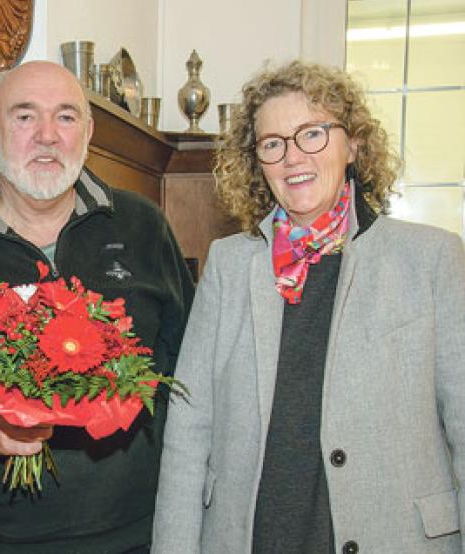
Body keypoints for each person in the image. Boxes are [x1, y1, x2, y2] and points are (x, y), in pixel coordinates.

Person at [151, 60, 465, 553]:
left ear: (353, 144)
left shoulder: (431, 259)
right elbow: (189, 429)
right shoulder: (229, 265)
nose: (293, 157)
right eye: (273, 143)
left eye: (312, 134)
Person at [0, 60, 194, 554]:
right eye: (25, 116)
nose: (48, 135)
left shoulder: (143, 226)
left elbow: (188, 368)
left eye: (66, 117)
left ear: (87, 134)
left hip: (138, 534)